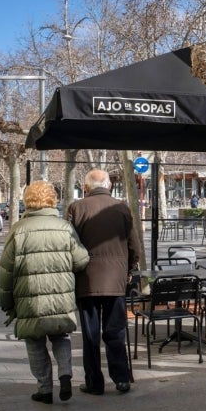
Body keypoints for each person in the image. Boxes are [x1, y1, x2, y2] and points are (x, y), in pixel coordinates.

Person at [0, 181, 90, 404]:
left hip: (29, 297)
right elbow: (81, 259)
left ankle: (44, 389)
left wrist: (6, 303)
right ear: (52, 200)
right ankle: (65, 374)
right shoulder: (64, 227)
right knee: (61, 336)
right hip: (60, 293)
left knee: (34, 341)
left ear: (27, 201)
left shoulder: (18, 230)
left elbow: (6, 272)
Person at [66, 169, 142, 395]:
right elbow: (134, 247)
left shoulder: (76, 208)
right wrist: (128, 269)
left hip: (86, 279)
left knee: (90, 335)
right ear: (108, 186)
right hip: (116, 280)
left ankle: (94, 382)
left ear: (86, 187)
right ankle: (121, 379)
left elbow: (68, 244)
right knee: (115, 331)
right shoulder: (121, 208)